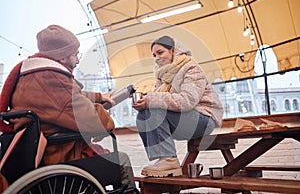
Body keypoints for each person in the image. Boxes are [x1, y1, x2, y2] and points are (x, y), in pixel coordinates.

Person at [0, 25, 136, 189]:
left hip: (34, 155)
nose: (78, 60)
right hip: (59, 157)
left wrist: (99, 97)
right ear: (62, 58)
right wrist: (104, 114)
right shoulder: (53, 79)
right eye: (75, 54)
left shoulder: (29, 77)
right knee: (122, 161)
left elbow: (65, 99)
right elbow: (94, 121)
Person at [132, 35, 224, 177]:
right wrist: (145, 102)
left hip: (204, 118)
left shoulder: (191, 68)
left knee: (154, 109)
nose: (157, 58)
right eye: (154, 55)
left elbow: (187, 101)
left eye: (160, 52)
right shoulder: (162, 75)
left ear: (173, 50)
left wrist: (151, 99)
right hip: (185, 120)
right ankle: (164, 159)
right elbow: (160, 100)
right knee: (143, 115)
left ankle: (169, 160)